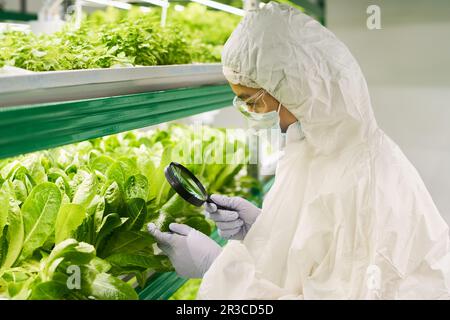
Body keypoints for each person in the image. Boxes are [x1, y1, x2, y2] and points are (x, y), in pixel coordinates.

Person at [147, 2, 450, 299]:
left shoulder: (363, 181)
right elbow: (319, 256)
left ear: (295, 88)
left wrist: (218, 270)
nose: (249, 112)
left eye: (251, 101)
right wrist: (266, 230)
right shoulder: (318, 147)